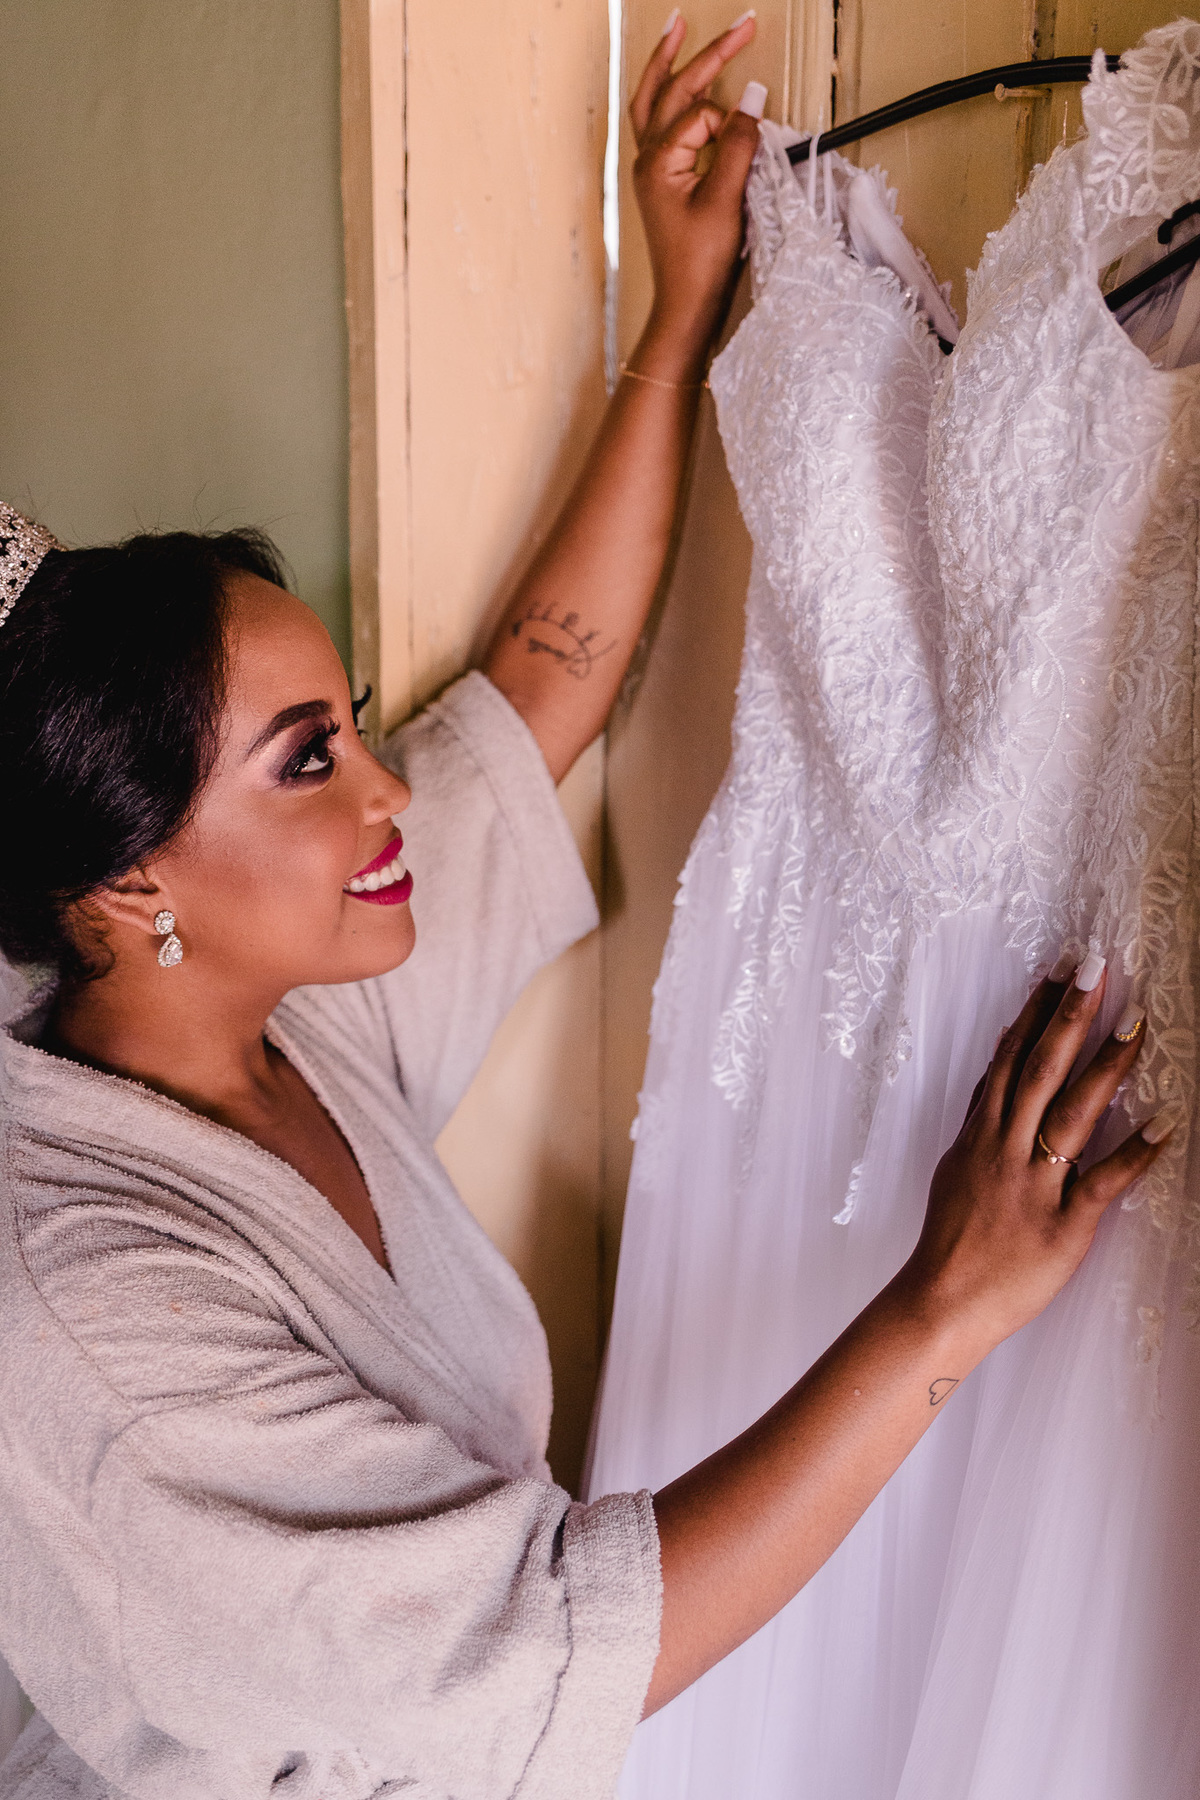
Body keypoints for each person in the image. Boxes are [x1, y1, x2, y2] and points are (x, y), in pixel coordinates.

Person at [0, 16, 1174, 1799]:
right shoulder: (85, 1310)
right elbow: (539, 1644)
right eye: (312, 761)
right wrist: (943, 1302)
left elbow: (544, 686)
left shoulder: (262, 1006)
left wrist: (672, 319)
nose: (391, 790)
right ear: (131, 874)